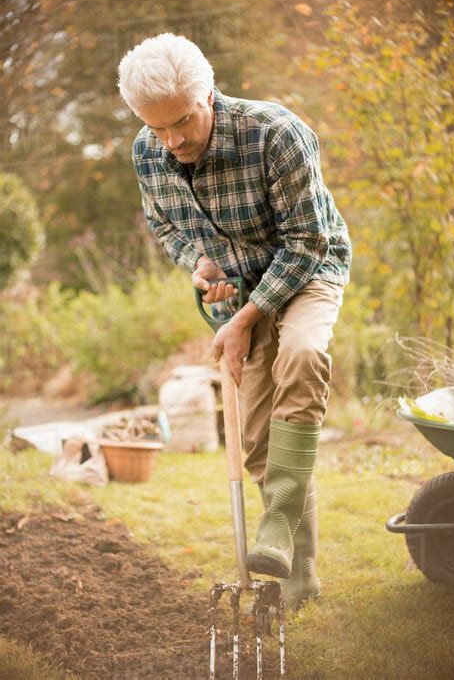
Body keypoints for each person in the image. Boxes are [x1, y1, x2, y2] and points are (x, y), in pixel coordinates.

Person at [117, 33, 352, 609]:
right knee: (254, 444)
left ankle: (280, 530)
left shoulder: (276, 133)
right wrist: (198, 263)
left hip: (307, 270)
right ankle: (302, 571)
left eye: (181, 123)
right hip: (236, 293)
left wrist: (247, 317)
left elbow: (306, 240)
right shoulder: (148, 151)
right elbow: (165, 227)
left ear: (209, 96)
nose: (172, 142)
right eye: (157, 129)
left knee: (301, 350)